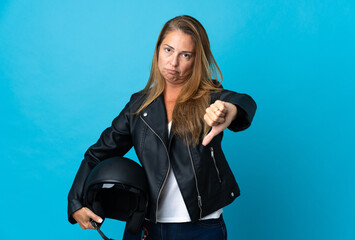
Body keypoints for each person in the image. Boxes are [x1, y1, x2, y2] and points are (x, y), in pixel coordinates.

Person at [68, 15, 257, 240]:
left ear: (196, 60)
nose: (173, 63)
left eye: (185, 55)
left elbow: (242, 102)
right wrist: (76, 203)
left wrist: (230, 110)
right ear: (158, 49)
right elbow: (96, 155)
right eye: (168, 50)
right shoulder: (138, 106)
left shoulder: (210, 98)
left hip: (202, 229)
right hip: (147, 227)